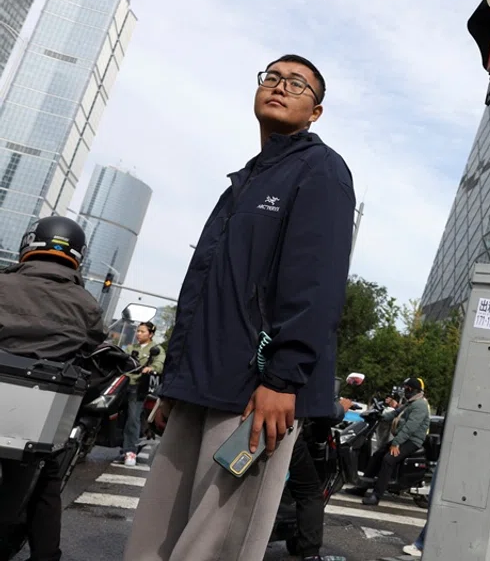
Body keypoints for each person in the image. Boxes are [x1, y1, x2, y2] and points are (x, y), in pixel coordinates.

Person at [123, 54, 355, 561]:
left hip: (257, 394)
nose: (279, 86)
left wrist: (283, 378)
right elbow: (202, 291)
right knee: (153, 539)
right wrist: (173, 384)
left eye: (297, 84)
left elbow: (316, 283)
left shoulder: (322, 170)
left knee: (215, 545)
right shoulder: (245, 181)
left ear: (315, 111)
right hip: (197, 385)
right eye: (271, 77)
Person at [0, 216, 107, 561]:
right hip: (37, 423)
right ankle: (45, 556)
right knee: (48, 473)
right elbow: (92, 348)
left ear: (29, 243)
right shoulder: (88, 305)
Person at [281, 395, 352, 560]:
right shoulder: (293, 372)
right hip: (285, 430)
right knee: (310, 492)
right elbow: (322, 409)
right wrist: (341, 407)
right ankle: (310, 554)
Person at [361, 377, 430, 506]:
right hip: (403, 438)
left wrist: (396, 443)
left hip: (412, 441)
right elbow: (394, 414)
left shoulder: (420, 405)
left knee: (388, 459)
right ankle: (362, 487)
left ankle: (376, 495)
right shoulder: (410, 403)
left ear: (414, 390)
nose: (405, 391)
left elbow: (410, 428)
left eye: (407, 389)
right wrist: (380, 416)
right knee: (377, 455)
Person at [118, 321, 165, 466]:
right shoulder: (131, 347)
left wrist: (150, 368)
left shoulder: (156, 349)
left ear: (150, 334)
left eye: (142, 331)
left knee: (133, 418)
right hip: (123, 384)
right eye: (138, 331)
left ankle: (130, 452)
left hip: (138, 388)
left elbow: (159, 364)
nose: (138, 334)